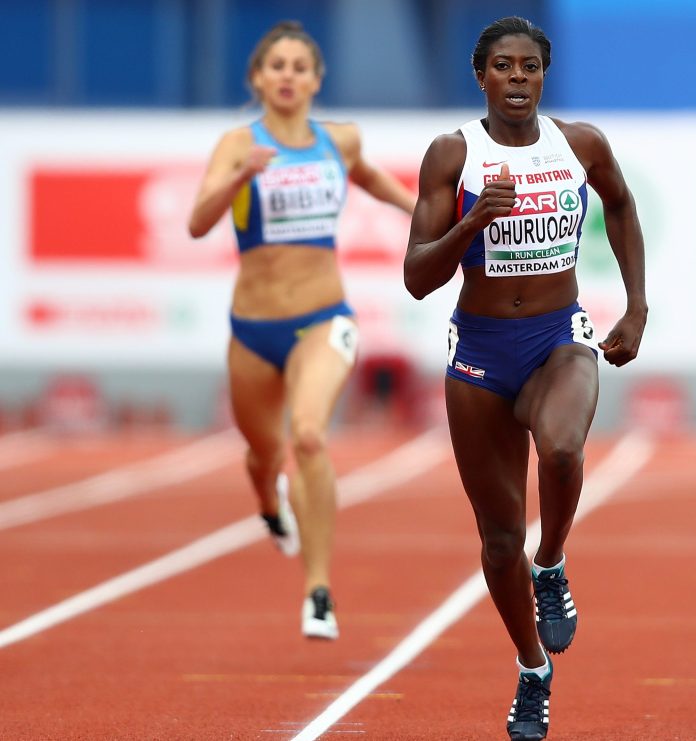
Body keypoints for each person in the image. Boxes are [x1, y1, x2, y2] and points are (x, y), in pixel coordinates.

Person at [404, 15, 647, 741]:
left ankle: (554, 561)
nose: (517, 78)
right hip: (479, 350)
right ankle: (533, 668)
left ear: (544, 75)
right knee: (498, 538)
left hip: (556, 335)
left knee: (564, 447)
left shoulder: (580, 145)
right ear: (480, 76)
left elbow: (623, 206)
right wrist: (470, 221)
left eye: (530, 66)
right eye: (503, 66)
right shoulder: (453, 154)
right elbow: (419, 277)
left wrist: (637, 306)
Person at [188, 20, 416, 640]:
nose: (287, 75)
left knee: (309, 437)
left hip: (324, 317)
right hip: (253, 329)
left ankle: (318, 590)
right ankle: (268, 499)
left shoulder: (338, 139)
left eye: (299, 66)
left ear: (317, 79)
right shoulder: (238, 144)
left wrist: (417, 209)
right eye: (276, 66)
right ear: (257, 78)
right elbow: (197, 223)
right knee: (264, 454)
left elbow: (366, 173)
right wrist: (240, 177)